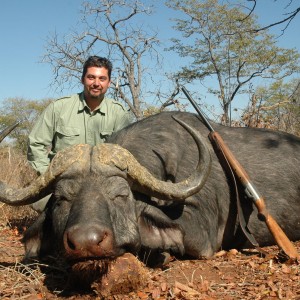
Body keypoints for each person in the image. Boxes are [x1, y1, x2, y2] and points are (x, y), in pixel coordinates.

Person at [27, 56, 132, 211]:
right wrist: (49, 176)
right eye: (91, 77)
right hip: (64, 184)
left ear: (109, 83)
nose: (96, 83)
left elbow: (127, 154)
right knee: (48, 212)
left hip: (103, 187)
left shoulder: (120, 113)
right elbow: (36, 144)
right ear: (83, 79)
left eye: (102, 78)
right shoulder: (59, 108)